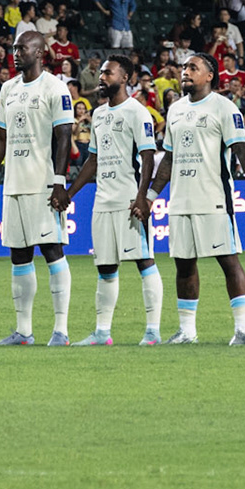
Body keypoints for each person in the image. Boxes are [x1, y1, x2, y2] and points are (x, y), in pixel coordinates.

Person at [151, 54, 245, 345]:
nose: (185, 72)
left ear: (210, 75)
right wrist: (150, 195)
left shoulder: (224, 107)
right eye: (184, 68)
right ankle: (187, 332)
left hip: (214, 198)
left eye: (193, 68)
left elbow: (241, 149)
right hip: (180, 199)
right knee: (183, 265)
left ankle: (242, 331)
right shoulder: (175, 109)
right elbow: (169, 158)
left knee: (228, 261)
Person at [0, 29, 75, 346]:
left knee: (52, 251)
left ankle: (61, 330)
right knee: (19, 255)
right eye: (14, 48)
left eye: (22, 48)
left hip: (43, 184)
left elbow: (64, 135)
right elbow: (1, 137)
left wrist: (59, 182)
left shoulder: (55, 88)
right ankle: (23, 332)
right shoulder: (8, 88)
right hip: (14, 185)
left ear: (39, 53)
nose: (15, 53)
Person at [61, 56, 163, 346]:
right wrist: (69, 193)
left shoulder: (137, 112)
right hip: (102, 201)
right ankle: (102, 332)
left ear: (125, 78)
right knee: (105, 268)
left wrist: (143, 197)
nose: (102, 77)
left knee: (144, 261)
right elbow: (93, 160)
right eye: (102, 72)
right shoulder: (99, 114)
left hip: (129, 200)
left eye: (108, 73)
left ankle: (153, 331)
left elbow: (147, 157)